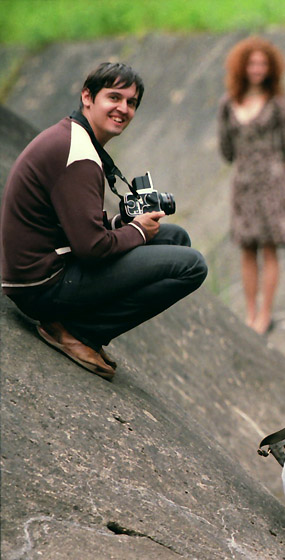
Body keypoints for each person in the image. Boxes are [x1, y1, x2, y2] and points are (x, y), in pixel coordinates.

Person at [0, 62, 207, 380]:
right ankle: (78, 332)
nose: (123, 109)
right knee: (192, 265)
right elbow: (91, 248)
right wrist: (137, 230)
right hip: (41, 285)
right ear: (88, 97)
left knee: (174, 238)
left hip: (41, 269)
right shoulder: (79, 153)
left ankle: (75, 325)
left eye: (131, 102)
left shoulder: (74, 136)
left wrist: (120, 223)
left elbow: (76, 224)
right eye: (114, 97)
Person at [218, 36, 285, 335]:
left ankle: (265, 313)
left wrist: (275, 169)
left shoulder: (277, 104)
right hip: (242, 184)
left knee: (269, 248)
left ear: (271, 68)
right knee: (246, 248)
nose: (257, 68)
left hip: (270, 183)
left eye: (262, 63)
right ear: (242, 67)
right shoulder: (227, 104)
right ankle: (250, 312)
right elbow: (225, 149)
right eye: (252, 63)